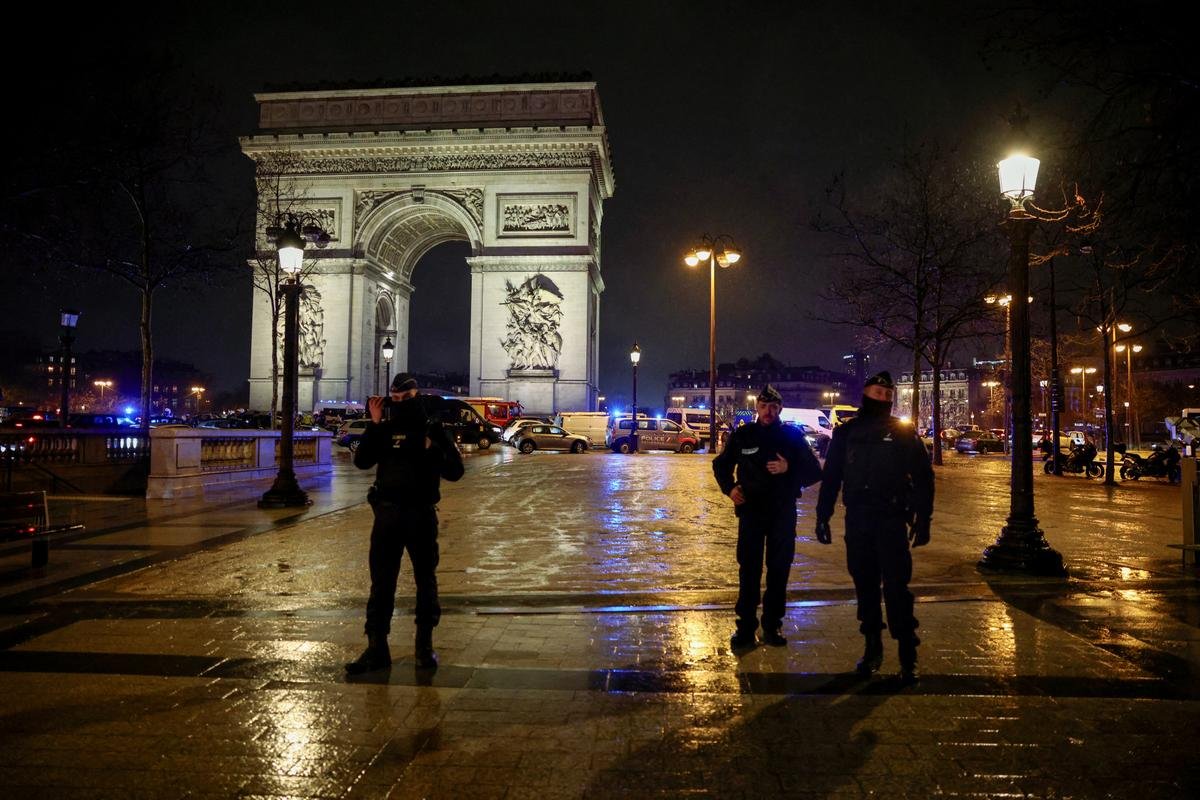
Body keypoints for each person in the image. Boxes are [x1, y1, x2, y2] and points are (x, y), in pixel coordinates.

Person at [814, 371, 933, 682]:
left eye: (887, 394)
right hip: (859, 519)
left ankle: (908, 652)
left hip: (891, 518)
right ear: (865, 394)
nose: (882, 399)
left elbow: (923, 477)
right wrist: (822, 515)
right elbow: (831, 478)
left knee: (896, 588)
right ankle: (872, 647)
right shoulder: (846, 433)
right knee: (865, 587)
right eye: (877, 392)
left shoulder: (903, 433)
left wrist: (924, 519)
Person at [346, 374, 464, 674]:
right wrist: (373, 425)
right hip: (386, 515)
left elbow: (455, 472)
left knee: (426, 582)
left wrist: (435, 445)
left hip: (420, 515)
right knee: (380, 584)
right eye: (394, 400)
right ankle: (376, 648)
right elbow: (361, 462)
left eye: (405, 399)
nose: (399, 404)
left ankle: (424, 647)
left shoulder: (433, 429)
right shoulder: (382, 430)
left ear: (417, 396)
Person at [713, 384, 823, 649]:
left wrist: (789, 467)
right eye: (763, 407)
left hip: (782, 512)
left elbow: (814, 472)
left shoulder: (792, 436)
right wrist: (730, 489)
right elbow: (721, 465)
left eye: (773, 407)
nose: (768, 412)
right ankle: (745, 627)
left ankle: (772, 625)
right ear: (757, 408)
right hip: (751, 512)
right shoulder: (744, 435)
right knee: (748, 570)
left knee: (779, 570)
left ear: (780, 409)